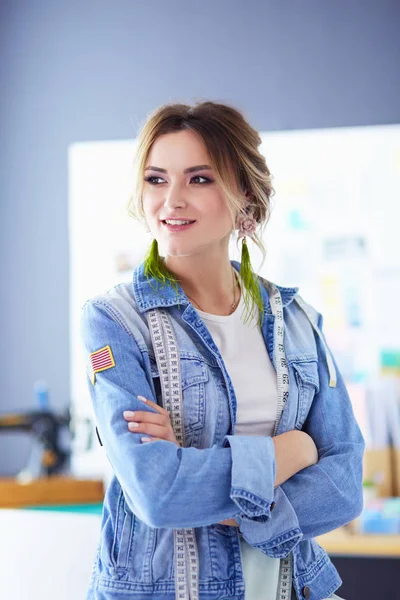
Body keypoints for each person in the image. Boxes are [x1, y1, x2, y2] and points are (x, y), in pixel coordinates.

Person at [81, 100, 365, 600]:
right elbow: (158, 492)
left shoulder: (297, 321)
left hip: (289, 587)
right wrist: (291, 452)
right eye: (155, 179)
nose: (172, 200)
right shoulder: (115, 321)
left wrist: (207, 477)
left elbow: (344, 484)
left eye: (199, 179)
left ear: (245, 197)